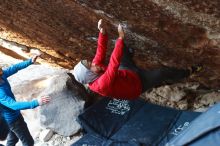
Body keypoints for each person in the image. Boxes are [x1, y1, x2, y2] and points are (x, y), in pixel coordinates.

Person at [73, 19, 196, 100]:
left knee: (122, 50)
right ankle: (188, 72)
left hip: (126, 73)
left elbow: (100, 50)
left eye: (90, 62)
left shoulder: (94, 69)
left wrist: (102, 31)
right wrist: (120, 37)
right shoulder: (101, 85)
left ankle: (129, 55)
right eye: (91, 66)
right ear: (90, 74)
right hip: (137, 85)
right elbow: (113, 65)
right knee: (162, 73)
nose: (93, 63)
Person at [0, 56, 51, 146]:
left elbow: (14, 68)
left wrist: (30, 61)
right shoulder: (0, 92)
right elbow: (14, 105)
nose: (2, 71)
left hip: (7, 119)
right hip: (13, 120)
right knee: (28, 142)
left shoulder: (2, 75)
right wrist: (36, 102)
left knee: (13, 139)